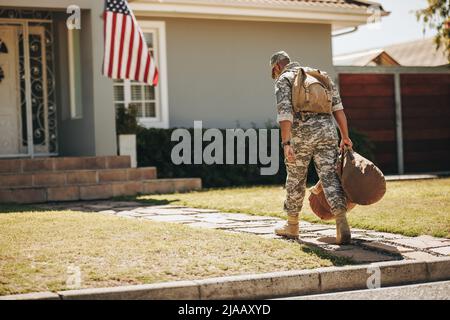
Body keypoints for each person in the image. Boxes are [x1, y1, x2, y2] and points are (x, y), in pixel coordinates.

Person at [270, 51, 353, 244]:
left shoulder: (284, 80)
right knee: (330, 176)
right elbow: (338, 109)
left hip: (301, 135)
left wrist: (286, 143)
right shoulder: (319, 76)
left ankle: (292, 225)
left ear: (276, 67)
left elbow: (285, 114)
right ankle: (342, 223)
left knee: (296, 178)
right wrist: (345, 136)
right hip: (327, 132)